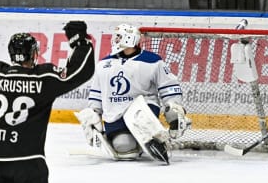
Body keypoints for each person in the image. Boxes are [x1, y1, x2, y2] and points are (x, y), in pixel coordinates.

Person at [0, 21, 95, 183]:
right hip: (30, 164)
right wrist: (80, 42)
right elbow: (80, 72)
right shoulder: (42, 78)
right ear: (32, 54)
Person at [76, 24, 191, 164]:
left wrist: (173, 107)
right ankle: (139, 144)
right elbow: (97, 94)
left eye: (119, 36)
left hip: (143, 109)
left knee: (147, 116)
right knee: (124, 147)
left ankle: (152, 136)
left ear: (130, 38)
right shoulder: (103, 64)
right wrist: (94, 112)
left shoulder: (153, 61)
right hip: (115, 115)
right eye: (116, 36)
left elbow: (169, 86)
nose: (115, 39)